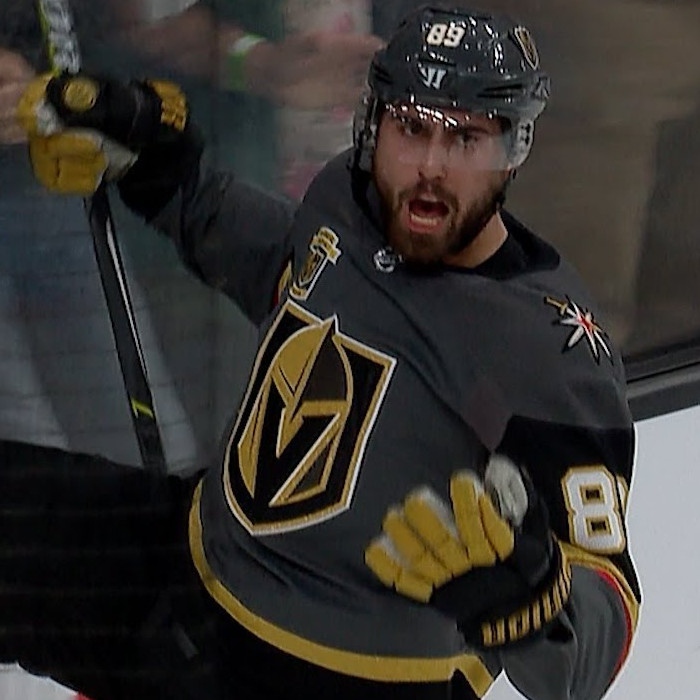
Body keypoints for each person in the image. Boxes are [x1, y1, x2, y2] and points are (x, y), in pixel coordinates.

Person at [7, 4, 641, 700]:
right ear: (374, 123)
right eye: (412, 127)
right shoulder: (352, 200)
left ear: (515, 148)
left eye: (466, 138)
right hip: (195, 567)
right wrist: (167, 176)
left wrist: (533, 604)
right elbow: (293, 271)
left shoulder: (548, 347)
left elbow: (601, 622)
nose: (430, 166)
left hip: (336, 671)